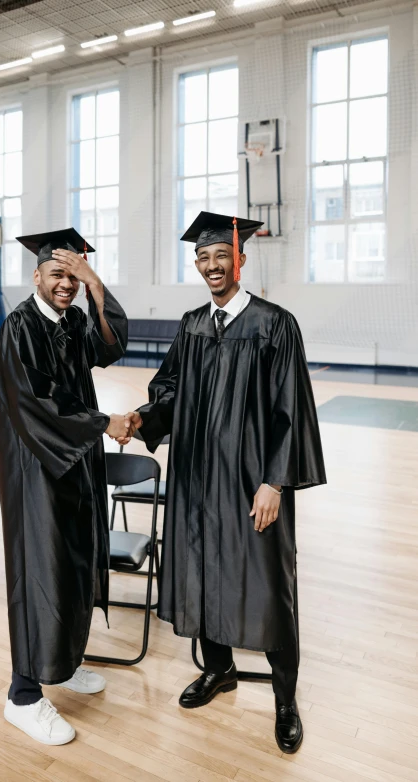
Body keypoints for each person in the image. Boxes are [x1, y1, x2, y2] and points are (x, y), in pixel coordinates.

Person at [126, 211, 326, 754]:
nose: (213, 265)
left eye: (222, 256)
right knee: (204, 569)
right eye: (204, 257)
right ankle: (219, 670)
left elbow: (292, 409)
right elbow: (169, 388)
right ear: (197, 264)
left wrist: (275, 482)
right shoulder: (192, 325)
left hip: (250, 484)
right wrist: (145, 418)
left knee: (269, 585)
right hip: (196, 477)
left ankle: (285, 700)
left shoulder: (274, 324)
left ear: (240, 259)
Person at [0, 228, 129, 746]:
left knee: (73, 565)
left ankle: (65, 663)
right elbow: (36, 408)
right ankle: (23, 695)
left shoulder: (70, 322)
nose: (66, 284)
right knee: (40, 573)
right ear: (37, 276)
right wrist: (102, 424)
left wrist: (94, 280)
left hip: (73, 465)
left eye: (73, 275)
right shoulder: (18, 329)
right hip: (37, 472)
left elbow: (112, 344)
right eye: (58, 274)